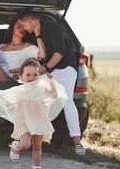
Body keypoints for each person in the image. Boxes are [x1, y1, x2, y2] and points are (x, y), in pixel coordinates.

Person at [18, 12, 86, 155]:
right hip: (50, 70)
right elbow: (42, 56)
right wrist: (38, 36)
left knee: (66, 101)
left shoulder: (53, 27)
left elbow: (59, 53)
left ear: (30, 20)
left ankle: (77, 143)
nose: (24, 29)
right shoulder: (35, 33)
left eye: (24, 25)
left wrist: (46, 68)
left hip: (65, 68)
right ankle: (29, 138)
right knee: (39, 101)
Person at [0, 58, 68, 169]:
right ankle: (16, 145)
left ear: (39, 75)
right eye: (28, 75)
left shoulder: (41, 88)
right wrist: (1, 97)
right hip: (23, 120)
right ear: (22, 76)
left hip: (38, 119)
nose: (31, 77)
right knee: (25, 145)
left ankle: (36, 166)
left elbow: (54, 95)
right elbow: (9, 97)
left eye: (35, 74)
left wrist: (51, 81)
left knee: (37, 145)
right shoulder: (20, 90)